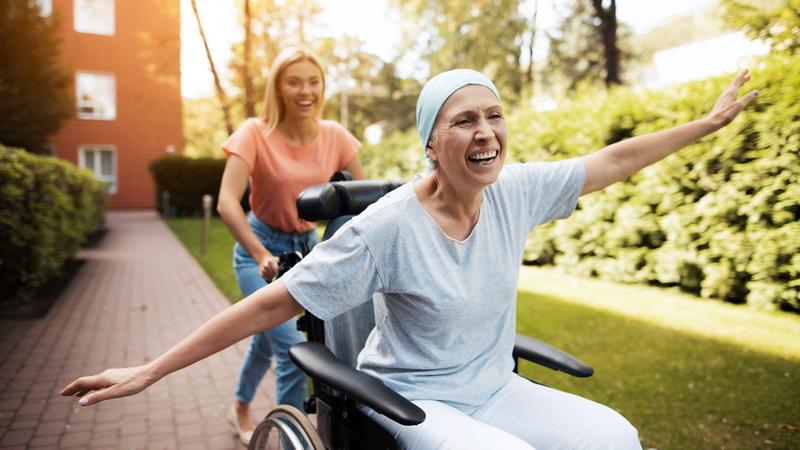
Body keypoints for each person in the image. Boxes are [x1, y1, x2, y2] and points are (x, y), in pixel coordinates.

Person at [61, 67, 758, 449]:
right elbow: (272, 303)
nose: (486, 133)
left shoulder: (514, 190)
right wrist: (150, 371)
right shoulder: (387, 227)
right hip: (411, 400)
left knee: (615, 436)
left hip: (494, 387)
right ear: (431, 143)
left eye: (494, 116)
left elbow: (611, 161)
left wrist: (707, 124)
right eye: (464, 120)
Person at [215, 47, 364, 444]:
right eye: (294, 81)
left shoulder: (335, 136)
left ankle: (240, 407)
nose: (305, 90)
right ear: (278, 88)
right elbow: (227, 202)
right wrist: (260, 254)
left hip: (308, 252)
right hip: (259, 250)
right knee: (294, 351)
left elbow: (362, 203)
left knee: (267, 340)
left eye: (313, 81)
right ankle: (290, 442)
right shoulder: (254, 133)